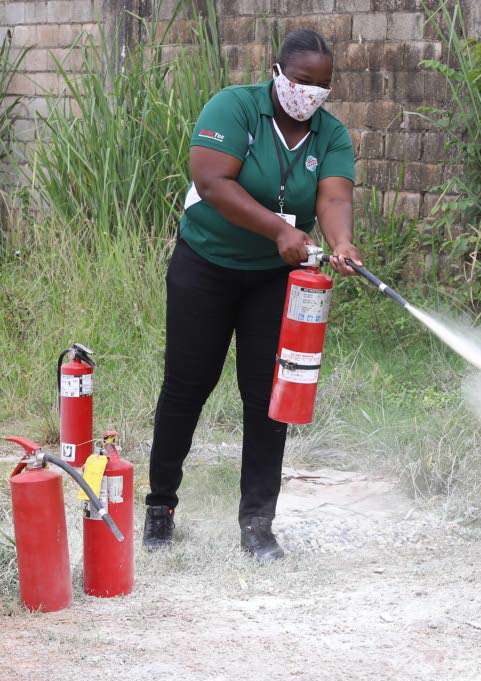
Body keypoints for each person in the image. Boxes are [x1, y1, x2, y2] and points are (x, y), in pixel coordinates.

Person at [142, 29, 362, 562]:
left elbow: (334, 198)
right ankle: (160, 506)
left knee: (268, 399)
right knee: (187, 386)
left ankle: (258, 524)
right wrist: (281, 230)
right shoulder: (234, 108)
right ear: (276, 72)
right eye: (302, 81)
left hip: (274, 279)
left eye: (322, 86)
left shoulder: (331, 135)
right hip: (205, 266)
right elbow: (212, 182)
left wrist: (341, 241)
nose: (310, 94)